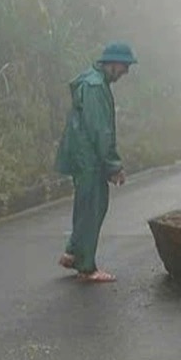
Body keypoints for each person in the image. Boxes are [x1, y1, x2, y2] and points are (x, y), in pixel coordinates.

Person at [54, 42, 137, 283]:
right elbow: (100, 129)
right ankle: (87, 266)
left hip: (84, 155)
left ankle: (72, 252)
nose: (125, 72)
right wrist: (114, 165)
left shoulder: (92, 80)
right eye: (124, 66)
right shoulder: (95, 86)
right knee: (93, 208)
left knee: (85, 206)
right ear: (112, 63)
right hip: (89, 158)